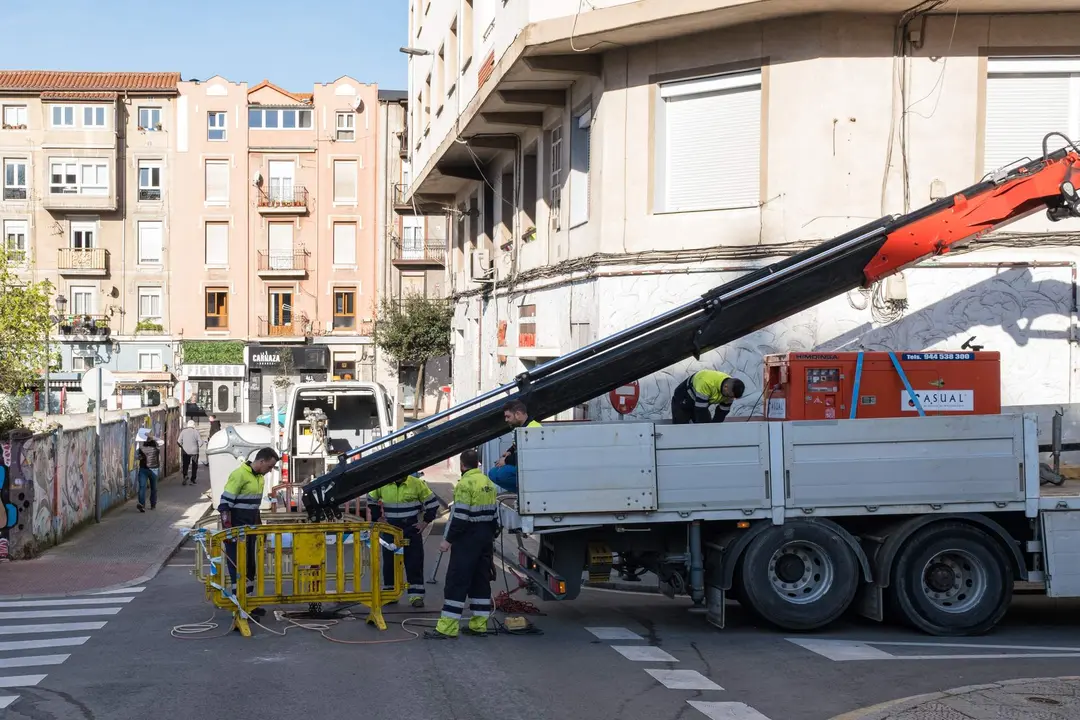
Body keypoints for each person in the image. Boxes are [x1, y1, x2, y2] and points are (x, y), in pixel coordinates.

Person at [428, 449, 499, 640]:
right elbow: (494, 516)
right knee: (480, 581)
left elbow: (460, 517)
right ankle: (478, 625)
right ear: (478, 463)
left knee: (457, 581)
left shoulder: (465, 485)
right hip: (485, 538)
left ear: (462, 465)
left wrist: (447, 540)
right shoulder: (489, 483)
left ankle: (447, 628)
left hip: (467, 539)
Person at [218, 447, 279, 618]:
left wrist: (259, 527)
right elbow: (224, 505)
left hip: (250, 531)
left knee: (250, 567)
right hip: (237, 532)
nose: (270, 470)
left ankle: (248, 603)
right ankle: (240, 608)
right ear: (261, 462)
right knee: (238, 568)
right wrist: (229, 531)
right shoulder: (239, 475)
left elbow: (254, 507)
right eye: (270, 466)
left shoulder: (259, 478)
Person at [367, 473, 440, 607]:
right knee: (390, 562)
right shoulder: (384, 482)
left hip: (411, 529)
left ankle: (416, 596)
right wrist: (378, 517)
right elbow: (371, 499)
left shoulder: (417, 483)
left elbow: (433, 504)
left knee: (414, 562)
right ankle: (390, 594)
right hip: (390, 529)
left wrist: (425, 523)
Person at [488, 399, 541, 494]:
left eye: (508, 416)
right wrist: (510, 451)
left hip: (533, 469)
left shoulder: (533, 429)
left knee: (502, 474)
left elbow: (527, 455)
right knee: (492, 473)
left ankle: (528, 492)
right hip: (524, 466)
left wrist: (506, 460)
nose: (506, 420)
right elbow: (517, 446)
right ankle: (522, 493)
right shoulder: (523, 428)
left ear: (518, 414)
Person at [670, 369, 745, 424]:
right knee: (681, 428)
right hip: (683, 397)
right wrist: (707, 429)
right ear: (725, 387)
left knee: (707, 425)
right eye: (729, 395)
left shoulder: (731, 391)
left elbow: (722, 413)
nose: (730, 398)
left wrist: (714, 428)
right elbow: (701, 410)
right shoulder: (706, 382)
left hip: (700, 402)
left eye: (732, 397)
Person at [136, 432, 161, 512]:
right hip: (154, 469)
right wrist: (152, 436)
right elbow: (161, 441)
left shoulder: (142, 448)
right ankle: (153, 505)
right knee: (154, 488)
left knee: (142, 487)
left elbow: (137, 457)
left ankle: (142, 504)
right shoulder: (156, 449)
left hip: (143, 469)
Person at [178, 420, 201, 486]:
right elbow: (201, 443)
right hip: (195, 451)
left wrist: (182, 447)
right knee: (194, 465)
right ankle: (193, 479)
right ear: (194, 425)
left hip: (185, 451)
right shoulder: (196, 432)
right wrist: (198, 445)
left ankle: (185, 476)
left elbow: (178, 441)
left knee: (185, 465)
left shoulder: (183, 432)